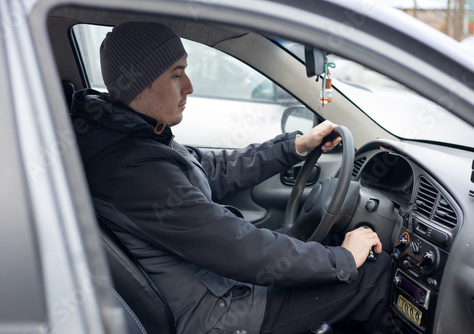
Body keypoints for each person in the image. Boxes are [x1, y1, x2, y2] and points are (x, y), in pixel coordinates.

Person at [71, 22, 392, 334]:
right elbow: (236, 246)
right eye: (177, 75)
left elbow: (212, 169)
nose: (189, 87)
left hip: (216, 288)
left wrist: (293, 147)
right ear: (141, 84)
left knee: (334, 250)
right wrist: (344, 260)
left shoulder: (136, 134)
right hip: (220, 314)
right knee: (373, 275)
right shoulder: (132, 169)